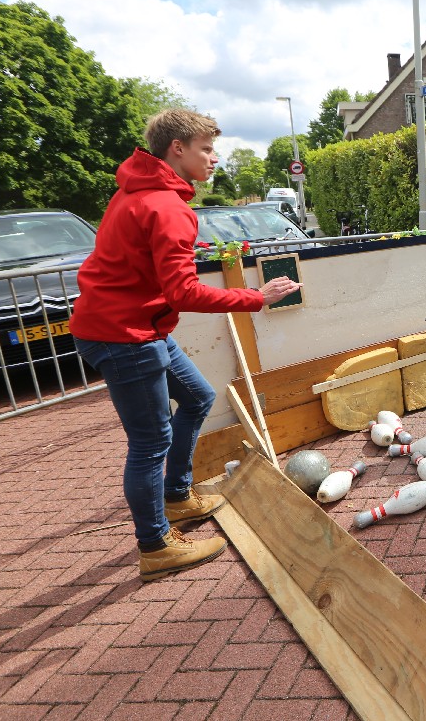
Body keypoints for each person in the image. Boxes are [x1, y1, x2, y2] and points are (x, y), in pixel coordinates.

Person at [71, 109, 302, 583]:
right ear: (177, 148)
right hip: (125, 335)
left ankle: (176, 497)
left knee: (197, 396)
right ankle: (155, 545)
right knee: (150, 441)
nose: (214, 159)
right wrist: (256, 298)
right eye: (206, 149)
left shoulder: (136, 193)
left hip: (132, 326)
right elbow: (183, 293)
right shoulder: (166, 207)